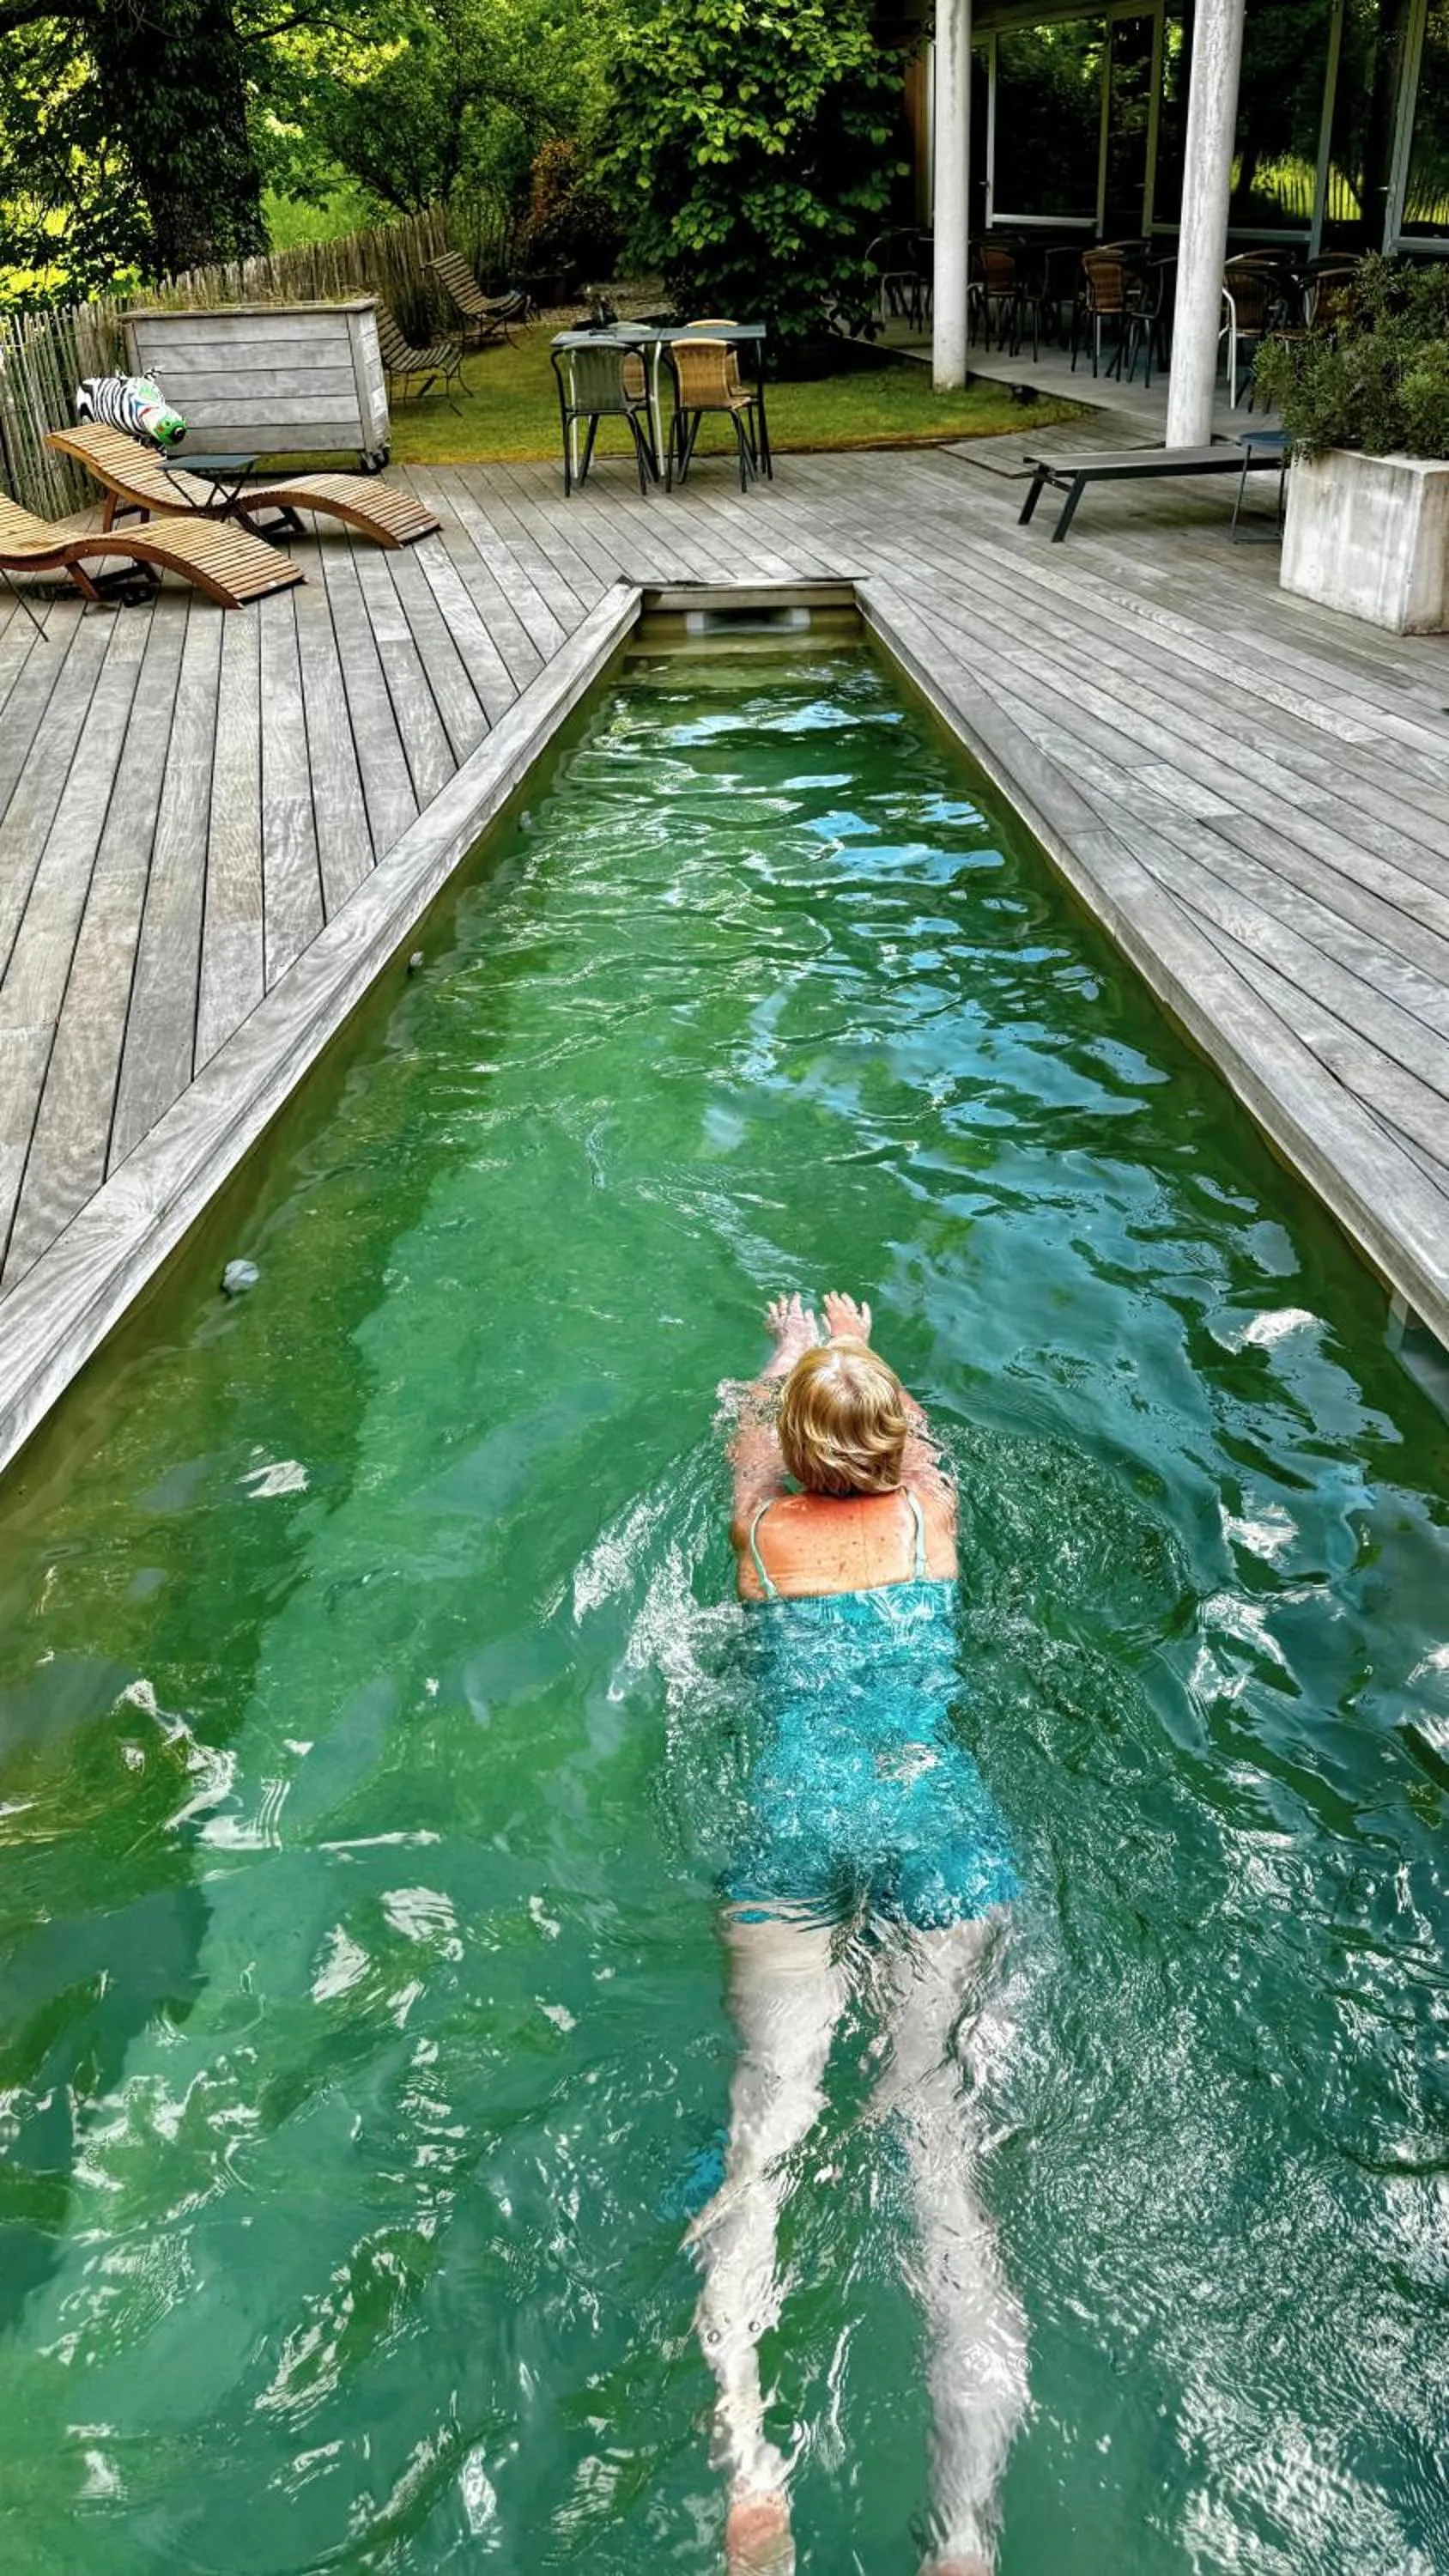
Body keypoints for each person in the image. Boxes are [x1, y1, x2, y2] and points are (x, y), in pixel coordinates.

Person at [692, 1291, 1026, 2576]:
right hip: (931, 1826)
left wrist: (790, 1355)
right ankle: (960, 2536)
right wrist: (855, 1346)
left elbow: (752, 1433)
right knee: (941, 2165)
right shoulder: (926, 1509)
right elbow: (903, 1435)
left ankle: (753, 2471)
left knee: (764, 2143)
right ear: (894, 1445)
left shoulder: (762, 1527)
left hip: (792, 1828)